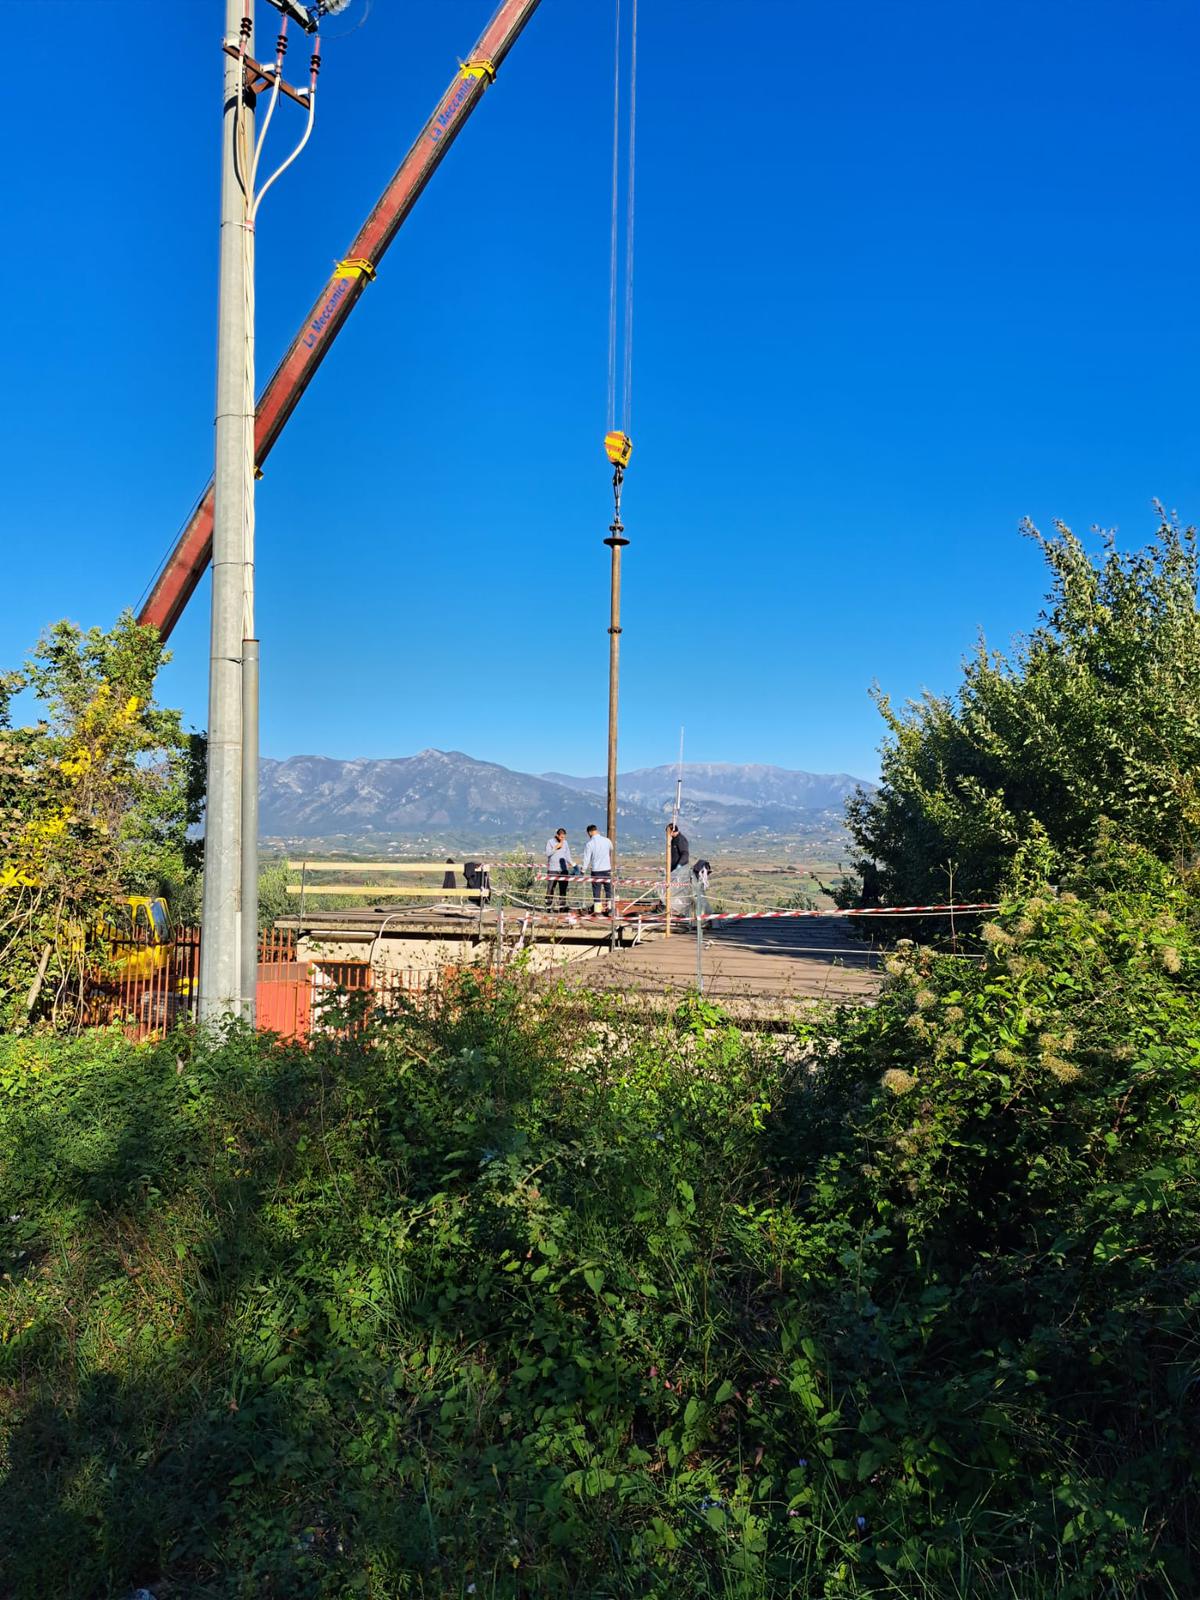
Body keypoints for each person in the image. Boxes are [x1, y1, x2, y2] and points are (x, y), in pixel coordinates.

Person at [581, 823, 614, 916]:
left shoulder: (590, 844)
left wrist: (583, 870)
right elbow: (611, 848)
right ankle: (610, 910)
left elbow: (586, 859)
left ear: (590, 832)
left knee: (597, 892)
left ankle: (598, 911)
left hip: (596, 871)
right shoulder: (607, 841)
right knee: (609, 891)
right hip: (607, 869)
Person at [667, 823, 691, 920]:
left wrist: (679, 866)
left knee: (679, 892)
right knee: (672, 891)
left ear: (672, 831)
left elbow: (685, 854)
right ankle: (672, 911)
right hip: (673, 870)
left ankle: (681, 913)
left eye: (668, 832)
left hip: (679, 871)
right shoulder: (674, 840)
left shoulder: (681, 840)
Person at [544, 828, 572, 911]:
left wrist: (573, 864)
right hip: (553, 869)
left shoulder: (565, 843)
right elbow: (547, 853)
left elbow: (567, 855)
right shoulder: (550, 842)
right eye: (561, 837)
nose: (563, 839)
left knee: (563, 889)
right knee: (550, 888)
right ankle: (548, 906)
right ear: (557, 835)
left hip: (563, 869)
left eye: (564, 837)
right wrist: (556, 847)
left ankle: (562, 907)